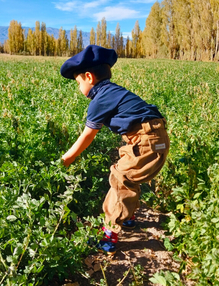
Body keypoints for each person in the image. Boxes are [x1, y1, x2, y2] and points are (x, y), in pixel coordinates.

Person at [60, 45, 170, 255]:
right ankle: (128, 217)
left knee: (120, 179)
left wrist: (66, 159)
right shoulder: (113, 91)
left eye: (78, 82)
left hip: (146, 141)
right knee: (130, 177)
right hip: (155, 138)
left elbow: (88, 135)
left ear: (89, 77)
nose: (78, 88)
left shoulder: (100, 99)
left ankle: (109, 236)